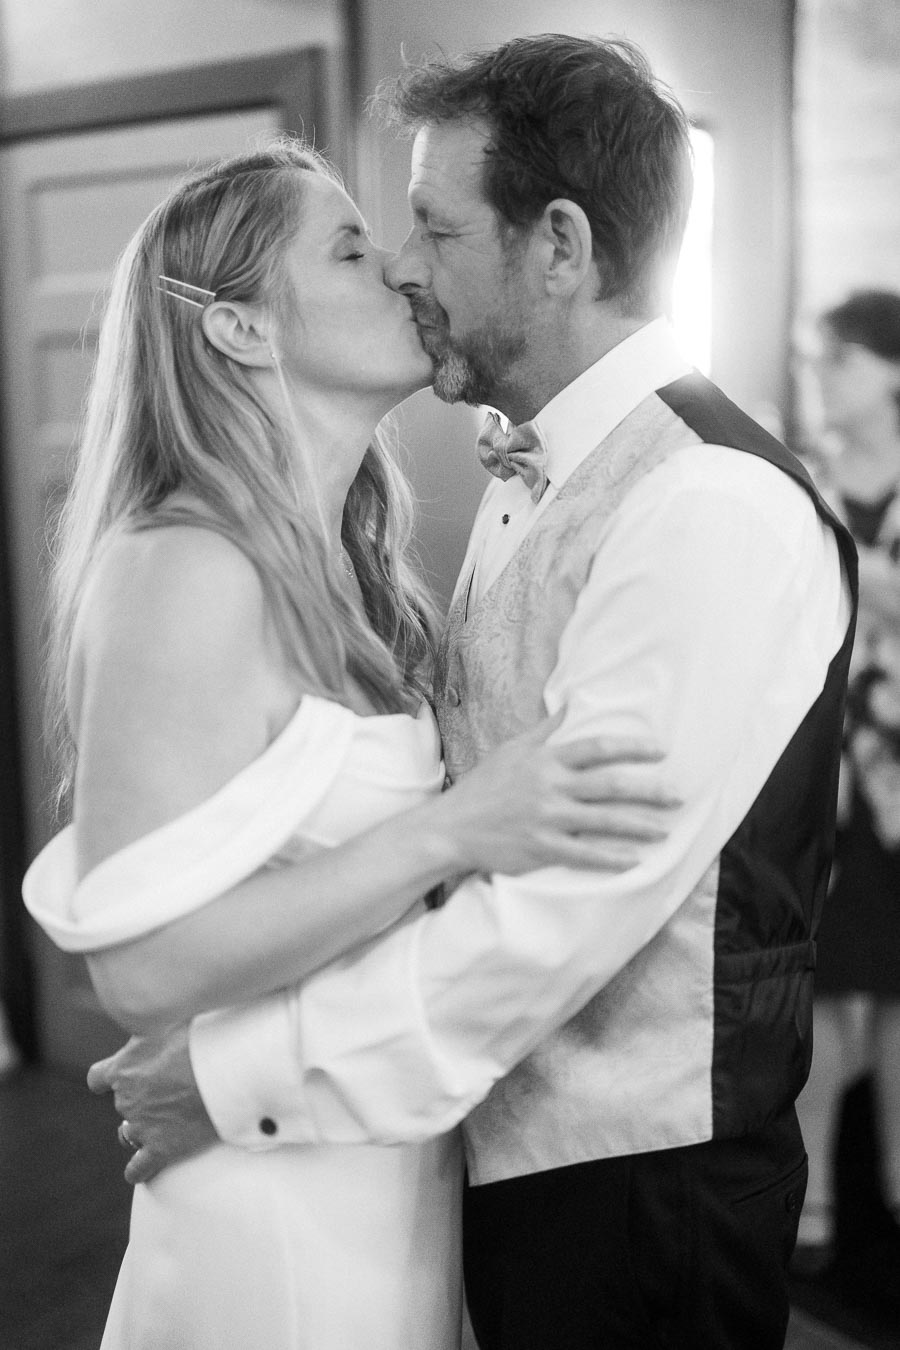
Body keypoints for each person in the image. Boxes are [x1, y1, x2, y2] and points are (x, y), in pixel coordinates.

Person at [78, 34, 857, 1350]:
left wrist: (236, 1075)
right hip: (448, 1145)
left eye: (435, 229)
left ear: (557, 246)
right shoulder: (521, 470)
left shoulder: (709, 502)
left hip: (636, 1189)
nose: (403, 264)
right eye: (372, 242)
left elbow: (561, 909)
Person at [22, 138, 676, 1350]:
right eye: (351, 249)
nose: (403, 271)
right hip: (272, 1212)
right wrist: (457, 826)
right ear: (241, 332)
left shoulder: (360, 568)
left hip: (377, 1154)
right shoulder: (184, 567)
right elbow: (142, 974)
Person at [794, 290, 900, 1305]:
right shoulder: (806, 481)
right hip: (828, 795)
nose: (822, 373)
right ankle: (817, 1226)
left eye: (840, 359)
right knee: (825, 1012)